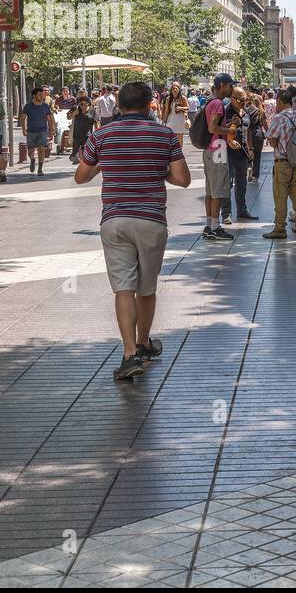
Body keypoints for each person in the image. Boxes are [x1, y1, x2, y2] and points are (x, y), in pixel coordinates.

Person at [75, 80, 191, 380]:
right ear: (150, 104)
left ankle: (129, 354)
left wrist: (106, 163)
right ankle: (143, 343)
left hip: (114, 220)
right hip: (151, 219)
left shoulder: (100, 135)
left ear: (118, 106)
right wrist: (157, 169)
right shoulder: (165, 134)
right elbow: (182, 179)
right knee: (147, 288)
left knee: (123, 288)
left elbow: (81, 176)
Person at [263, 88, 296, 239]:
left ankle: (280, 228)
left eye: (277, 102)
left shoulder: (279, 117)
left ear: (281, 101)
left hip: (282, 161)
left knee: (280, 196)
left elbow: (273, 141)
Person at [199, 73, 236, 240]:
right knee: (218, 190)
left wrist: (227, 125)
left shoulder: (210, 102)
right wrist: (229, 130)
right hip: (218, 149)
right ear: (222, 85)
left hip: (209, 149)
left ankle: (209, 225)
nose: (232, 88)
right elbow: (213, 129)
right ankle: (215, 227)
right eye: (230, 85)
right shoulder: (218, 103)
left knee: (210, 190)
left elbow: (213, 127)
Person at [220, 85, 256, 223]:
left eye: (244, 100)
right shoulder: (224, 111)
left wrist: (251, 149)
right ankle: (226, 214)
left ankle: (242, 211)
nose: (242, 102)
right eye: (240, 100)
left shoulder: (245, 112)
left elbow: (248, 132)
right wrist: (229, 128)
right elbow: (217, 130)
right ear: (232, 98)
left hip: (243, 153)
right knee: (227, 184)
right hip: (227, 153)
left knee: (242, 184)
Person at [19, 86, 54, 175]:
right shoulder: (28, 106)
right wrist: (24, 129)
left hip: (42, 131)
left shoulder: (45, 106)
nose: (42, 96)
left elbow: (49, 118)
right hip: (31, 131)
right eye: (39, 94)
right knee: (30, 151)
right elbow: (23, 118)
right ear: (34, 95)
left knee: (41, 149)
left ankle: (40, 169)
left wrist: (51, 130)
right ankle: (32, 159)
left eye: (42, 94)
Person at [245, 93, 267, 183]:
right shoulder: (260, 111)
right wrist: (269, 135)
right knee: (257, 156)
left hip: (248, 133)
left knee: (248, 153)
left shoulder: (245, 111)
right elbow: (265, 125)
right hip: (258, 134)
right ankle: (255, 176)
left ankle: (249, 167)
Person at [159, 81, 189, 148]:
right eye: (173, 89)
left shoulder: (183, 97)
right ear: (171, 90)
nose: (174, 90)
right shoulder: (168, 99)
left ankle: (180, 151)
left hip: (180, 119)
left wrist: (181, 108)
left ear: (179, 90)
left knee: (180, 137)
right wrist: (163, 121)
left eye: (176, 88)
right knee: (172, 136)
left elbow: (188, 107)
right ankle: (173, 150)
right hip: (171, 119)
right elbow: (166, 111)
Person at [70, 96, 94, 164]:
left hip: (87, 134)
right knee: (74, 152)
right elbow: (68, 117)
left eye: (85, 104)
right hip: (77, 134)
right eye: (81, 104)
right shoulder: (75, 108)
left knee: (85, 150)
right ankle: (77, 159)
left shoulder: (91, 111)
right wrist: (74, 113)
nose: (83, 106)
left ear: (88, 104)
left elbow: (95, 122)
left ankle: (84, 164)